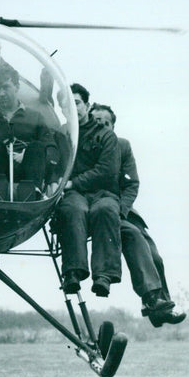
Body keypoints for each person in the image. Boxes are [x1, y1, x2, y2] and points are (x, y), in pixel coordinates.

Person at [91, 104, 186, 327]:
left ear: (113, 127)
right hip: (98, 208)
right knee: (132, 236)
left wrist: (122, 211)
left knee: (154, 255)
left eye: (107, 124)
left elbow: (132, 183)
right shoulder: (84, 146)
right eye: (97, 123)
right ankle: (152, 300)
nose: (102, 127)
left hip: (121, 209)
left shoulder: (122, 147)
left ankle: (162, 306)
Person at [55, 84, 121, 297]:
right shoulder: (62, 135)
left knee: (106, 211)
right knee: (72, 210)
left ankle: (103, 276)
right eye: (67, 104)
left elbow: (107, 171)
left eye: (76, 103)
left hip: (103, 193)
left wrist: (73, 183)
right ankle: (73, 272)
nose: (72, 108)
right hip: (75, 195)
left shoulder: (106, 136)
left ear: (87, 105)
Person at [0, 63, 58, 198]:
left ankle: (32, 192)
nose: (1, 93)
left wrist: (28, 154)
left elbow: (51, 149)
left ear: (17, 87)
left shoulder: (35, 117)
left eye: (6, 87)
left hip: (30, 174)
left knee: (36, 147)